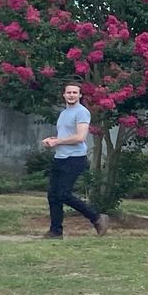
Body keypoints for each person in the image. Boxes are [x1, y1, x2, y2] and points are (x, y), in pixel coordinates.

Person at [41, 82, 108, 239]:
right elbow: (66, 135)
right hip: (60, 157)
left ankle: (97, 218)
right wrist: (53, 139)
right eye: (68, 92)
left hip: (75, 158)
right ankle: (55, 232)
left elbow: (80, 137)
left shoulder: (82, 112)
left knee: (63, 194)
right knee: (53, 195)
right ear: (64, 95)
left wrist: (57, 142)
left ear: (80, 95)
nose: (71, 95)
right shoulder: (64, 113)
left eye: (74, 92)